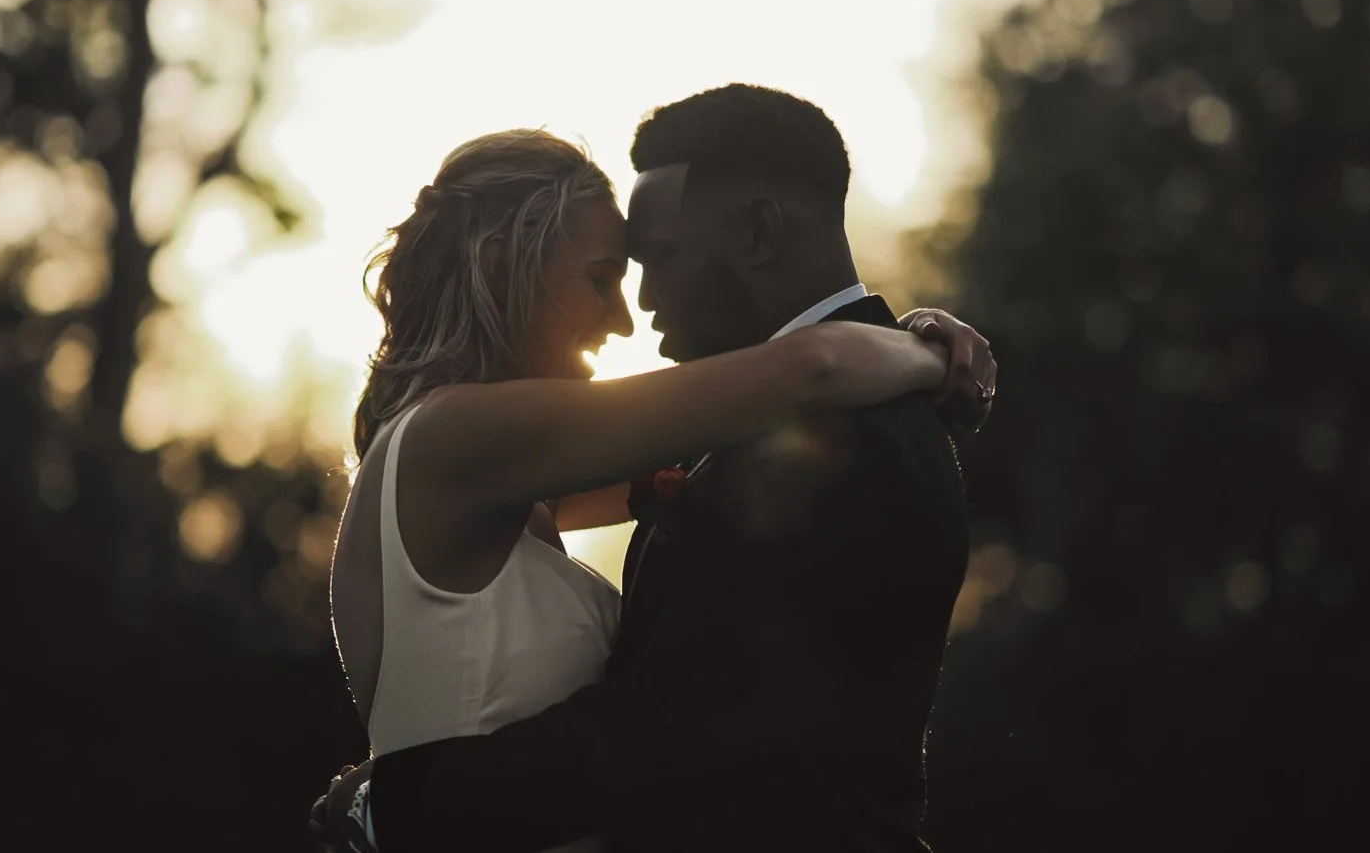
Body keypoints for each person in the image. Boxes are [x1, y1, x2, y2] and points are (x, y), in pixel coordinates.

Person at [321, 117, 996, 852]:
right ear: (497, 266)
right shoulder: (453, 437)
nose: (623, 318)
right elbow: (815, 369)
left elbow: (725, 433)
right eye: (602, 278)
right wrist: (931, 357)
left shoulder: (506, 482)